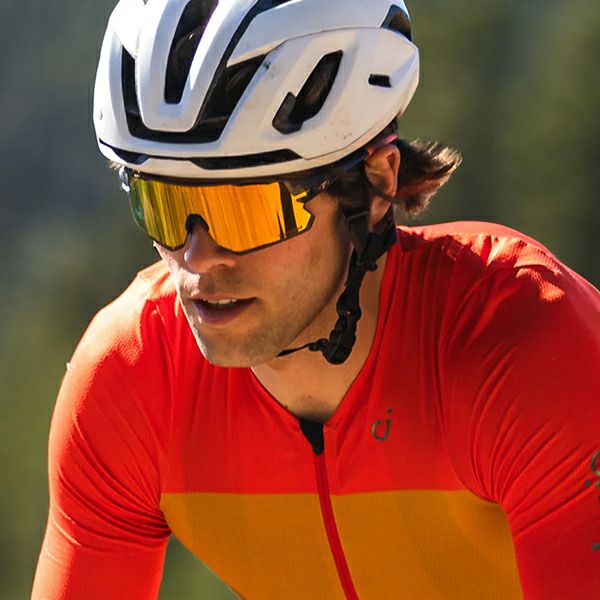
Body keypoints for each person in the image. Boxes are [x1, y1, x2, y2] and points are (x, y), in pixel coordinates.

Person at [32, 1, 600, 598]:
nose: (197, 259)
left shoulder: (527, 350)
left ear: (375, 184)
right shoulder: (134, 377)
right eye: (165, 207)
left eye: (246, 211)